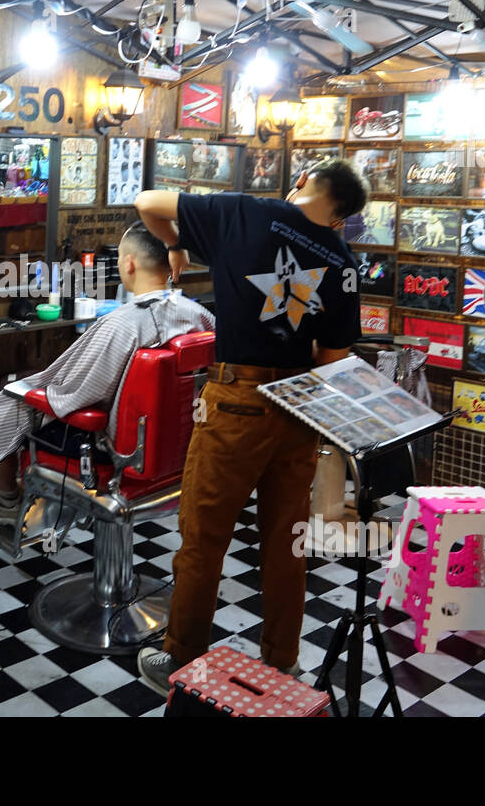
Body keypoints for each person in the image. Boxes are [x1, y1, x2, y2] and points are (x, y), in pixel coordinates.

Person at [131, 158, 368, 692]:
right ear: (341, 217)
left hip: (237, 399)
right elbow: (333, 358)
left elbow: (147, 203)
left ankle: (179, 660)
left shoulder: (242, 212)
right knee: (287, 542)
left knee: (204, 535)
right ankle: (283, 661)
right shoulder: (343, 260)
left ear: (303, 182)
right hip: (298, 405)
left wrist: (173, 246)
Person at [0, 223, 215, 522]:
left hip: (109, 446)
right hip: (180, 445)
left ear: (129, 263)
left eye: (119, 257)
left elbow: (77, 392)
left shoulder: (122, 324)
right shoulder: (198, 314)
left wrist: (34, 388)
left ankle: (7, 500)